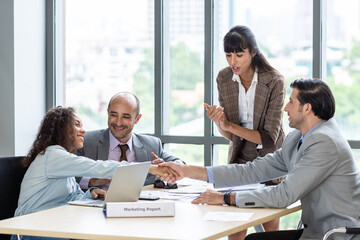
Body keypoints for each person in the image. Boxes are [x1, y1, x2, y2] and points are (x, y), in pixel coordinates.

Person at [162, 79, 360, 240]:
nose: (285, 108)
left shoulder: (324, 142)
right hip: (315, 231)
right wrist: (187, 171)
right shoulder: (297, 137)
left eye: (291, 101)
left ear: (307, 108)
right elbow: (253, 170)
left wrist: (225, 198)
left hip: (336, 235)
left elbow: (284, 195)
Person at [12, 106, 176, 240]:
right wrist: (150, 168)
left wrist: (91, 192)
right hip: (32, 231)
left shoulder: (62, 158)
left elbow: (72, 195)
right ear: (62, 129)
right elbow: (99, 166)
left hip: (53, 225)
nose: (83, 130)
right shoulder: (53, 155)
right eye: (77, 124)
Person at [204, 25, 285, 239]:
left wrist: (229, 125)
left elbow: (269, 138)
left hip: (270, 159)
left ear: (253, 52)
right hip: (240, 158)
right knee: (235, 227)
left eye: (239, 55)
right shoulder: (224, 79)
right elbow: (232, 137)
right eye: (228, 55)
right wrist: (220, 122)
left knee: (270, 228)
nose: (233, 62)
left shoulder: (274, 81)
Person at [77, 92, 185, 190]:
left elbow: (181, 165)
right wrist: (91, 182)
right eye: (113, 115)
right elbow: (67, 177)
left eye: (126, 117)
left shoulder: (151, 145)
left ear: (137, 119)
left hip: (139, 208)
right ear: (108, 113)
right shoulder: (86, 141)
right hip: (96, 207)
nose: (118, 123)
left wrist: (166, 166)